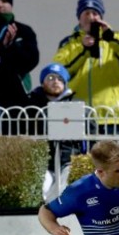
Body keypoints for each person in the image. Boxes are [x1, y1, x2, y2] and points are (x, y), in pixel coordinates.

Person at [53, 0, 119, 135]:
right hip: (77, 117)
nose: (91, 17)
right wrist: (83, 50)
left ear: (101, 17)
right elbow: (58, 71)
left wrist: (111, 37)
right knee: (76, 158)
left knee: (113, 158)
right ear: (79, 18)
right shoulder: (69, 43)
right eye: (86, 13)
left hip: (111, 117)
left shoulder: (114, 39)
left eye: (95, 13)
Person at [28, 63, 84, 203]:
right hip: (42, 160)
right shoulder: (32, 103)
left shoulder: (76, 104)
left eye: (60, 78)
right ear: (43, 82)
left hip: (68, 159)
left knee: (62, 190)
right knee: (41, 190)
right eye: (51, 77)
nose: (55, 81)